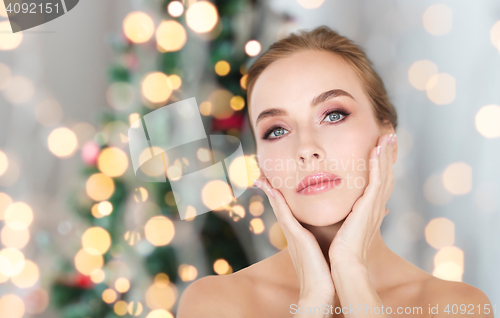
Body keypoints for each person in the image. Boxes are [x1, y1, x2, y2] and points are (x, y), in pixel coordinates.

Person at [177, 25, 493, 318]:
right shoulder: (215, 304)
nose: (305, 148)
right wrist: (313, 299)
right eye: (276, 131)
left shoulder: (458, 306)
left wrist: (351, 273)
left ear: (388, 140)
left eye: (333, 115)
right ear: (260, 164)